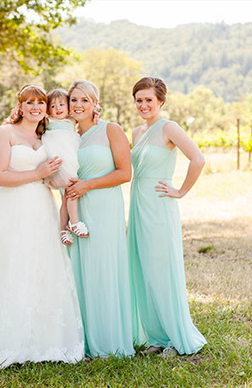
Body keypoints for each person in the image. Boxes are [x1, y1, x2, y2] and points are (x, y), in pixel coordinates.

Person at [0, 84, 84, 368]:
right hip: (9, 208)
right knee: (11, 267)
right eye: (29, 103)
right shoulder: (4, 133)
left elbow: (54, 176)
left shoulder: (47, 136)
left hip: (41, 207)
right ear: (19, 106)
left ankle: (43, 340)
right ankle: (10, 340)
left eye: (41, 103)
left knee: (41, 267)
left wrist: (63, 178)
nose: (36, 108)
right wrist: (37, 172)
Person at [128, 76, 207, 357]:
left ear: (160, 101)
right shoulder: (137, 133)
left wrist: (180, 191)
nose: (143, 105)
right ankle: (156, 337)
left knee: (162, 269)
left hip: (160, 205)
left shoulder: (168, 128)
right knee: (144, 269)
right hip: (139, 204)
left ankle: (176, 337)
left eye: (149, 99)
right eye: (139, 100)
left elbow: (198, 159)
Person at [65, 79, 135, 358]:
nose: (78, 105)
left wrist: (87, 185)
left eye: (84, 100)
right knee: (78, 270)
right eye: (74, 100)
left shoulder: (110, 130)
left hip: (104, 207)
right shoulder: (68, 136)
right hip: (76, 208)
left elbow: (124, 173)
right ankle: (81, 341)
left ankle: (108, 341)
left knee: (103, 268)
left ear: (95, 103)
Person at [43, 88, 88, 245]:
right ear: (48, 109)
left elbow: (87, 116)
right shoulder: (48, 121)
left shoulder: (72, 120)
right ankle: (74, 222)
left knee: (66, 197)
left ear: (68, 106)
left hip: (70, 161)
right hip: (58, 163)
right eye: (53, 106)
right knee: (70, 191)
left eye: (62, 105)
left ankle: (63, 230)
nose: (58, 109)